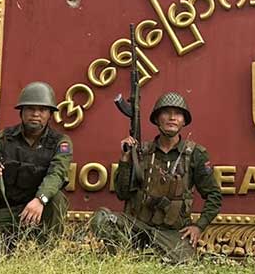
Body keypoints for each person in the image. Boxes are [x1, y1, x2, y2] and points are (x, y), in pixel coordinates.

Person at [89, 91, 221, 263]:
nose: (172, 117)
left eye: (178, 113)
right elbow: (122, 193)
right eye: (166, 112)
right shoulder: (141, 151)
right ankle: (125, 256)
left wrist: (198, 226)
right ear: (157, 119)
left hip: (172, 232)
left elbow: (214, 195)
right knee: (102, 219)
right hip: (138, 226)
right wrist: (125, 160)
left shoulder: (195, 154)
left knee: (182, 264)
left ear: (184, 120)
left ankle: (150, 255)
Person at [0, 82, 72, 240]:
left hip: (38, 209)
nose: (36, 114)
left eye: (42, 110)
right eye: (30, 109)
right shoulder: (3, 139)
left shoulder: (60, 142)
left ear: (50, 114)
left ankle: (46, 254)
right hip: (5, 209)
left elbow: (57, 174)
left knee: (56, 199)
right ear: (21, 112)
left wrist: (40, 199)